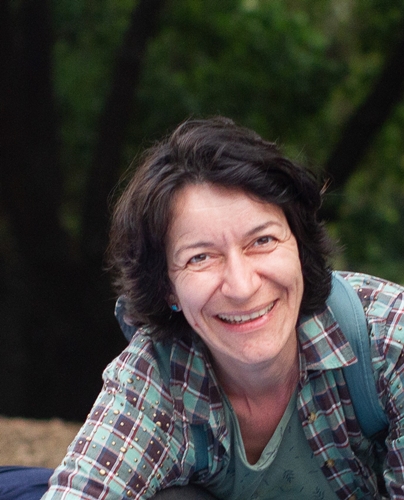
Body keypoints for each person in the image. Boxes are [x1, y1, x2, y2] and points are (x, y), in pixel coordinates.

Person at [38, 116, 404, 499]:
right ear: (167, 288)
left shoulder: (388, 339)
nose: (242, 287)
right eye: (200, 258)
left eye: (262, 241)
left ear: (299, 246)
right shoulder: (157, 378)